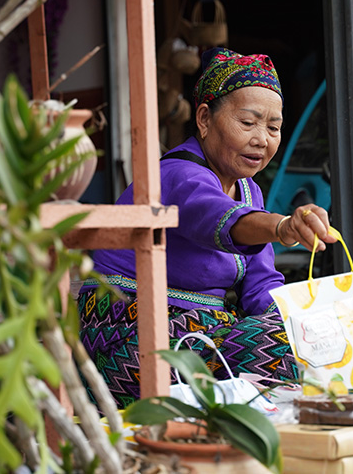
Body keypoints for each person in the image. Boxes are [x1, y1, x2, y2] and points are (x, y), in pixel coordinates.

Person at [78, 47, 336, 408]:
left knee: (311, 336)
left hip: (197, 330)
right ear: (203, 119)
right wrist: (281, 226)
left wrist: (305, 325)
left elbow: (261, 286)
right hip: (127, 335)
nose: (262, 138)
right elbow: (216, 218)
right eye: (247, 123)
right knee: (276, 347)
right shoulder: (176, 174)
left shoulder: (250, 191)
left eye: (273, 127)